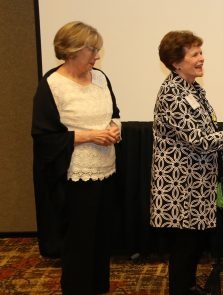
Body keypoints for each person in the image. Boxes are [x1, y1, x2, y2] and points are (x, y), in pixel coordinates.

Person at [149, 30, 223, 295]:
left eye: (200, 52)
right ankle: (180, 289)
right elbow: (199, 139)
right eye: (194, 54)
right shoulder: (172, 93)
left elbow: (207, 129)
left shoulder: (193, 88)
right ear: (176, 62)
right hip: (180, 185)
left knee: (194, 242)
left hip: (197, 182)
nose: (201, 59)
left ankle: (188, 286)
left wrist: (220, 168)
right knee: (185, 245)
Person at [31, 21, 121, 294]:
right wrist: (88, 136)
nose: (96, 56)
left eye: (97, 50)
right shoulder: (53, 85)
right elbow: (44, 137)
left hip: (106, 171)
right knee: (79, 241)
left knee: (100, 238)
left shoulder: (101, 78)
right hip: (74, 177)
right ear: (71, 51)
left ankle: (97, 287)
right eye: (91, 50)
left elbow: (114, 113)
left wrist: (116, 128)